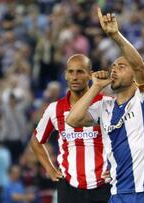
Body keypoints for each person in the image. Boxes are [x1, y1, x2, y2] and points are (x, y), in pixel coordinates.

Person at [66, 8, 144, 203]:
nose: (114, 70)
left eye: (121, 67)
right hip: (119, 194)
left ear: (133, 77)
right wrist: (95, 87)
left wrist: (115, 36)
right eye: (113, 66)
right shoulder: (104, 108)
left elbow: (139, 66)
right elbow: (72, 119)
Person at [30, 54, 111, 203]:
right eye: (70, 72)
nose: (74, 77)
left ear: (90, 75)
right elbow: (36, 141)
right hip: (69, 187)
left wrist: (118, 169)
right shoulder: (54, 109)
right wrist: (50, 169)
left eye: (80, 72)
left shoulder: (107, 104)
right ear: (65, 75)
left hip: (104, 186)